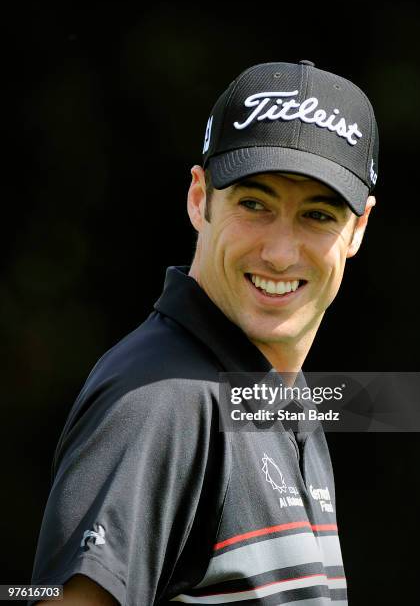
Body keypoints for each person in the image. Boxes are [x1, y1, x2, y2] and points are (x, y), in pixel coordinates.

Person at [29, 59, 378, 605]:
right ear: (199, 198)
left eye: (318, 215)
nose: (280, 253)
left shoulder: (281, 396)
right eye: (254, 204)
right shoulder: (160, 402)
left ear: (357, 229)